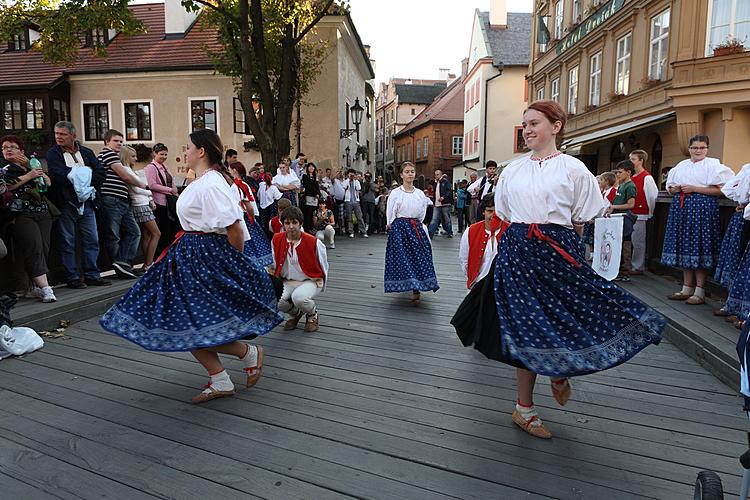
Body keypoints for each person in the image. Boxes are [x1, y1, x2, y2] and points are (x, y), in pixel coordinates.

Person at [461, 100, 664, 439]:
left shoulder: (572, 168)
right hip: (519, 251)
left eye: (534, 123)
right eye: (525, 123)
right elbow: (508, 213)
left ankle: (558, 366)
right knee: (524, 326)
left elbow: (589, 210)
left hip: (556, 248)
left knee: (563, 314)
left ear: (555, 127)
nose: (527, 129)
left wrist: (562, 230)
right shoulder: (512, 170)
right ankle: (524, 408)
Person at [100, 129, 283, 403]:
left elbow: (234, 226)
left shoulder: (212, 183)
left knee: (189, 321)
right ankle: (226, 373)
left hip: (204, 258)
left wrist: (233, 264)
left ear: (201, 152)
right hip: (189, 257)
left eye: (188, 148)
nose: (184, 152)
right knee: (184, 321)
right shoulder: (203, 181)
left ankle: (242, 359)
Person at [662, 134, 733, 305]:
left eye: (702, 147)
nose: (698, 151)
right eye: (694, 148)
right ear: (689, 149)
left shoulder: (714, 165)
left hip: (703, 209)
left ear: (707, 148)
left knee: (700, 246)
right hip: (682, 209)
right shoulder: (681, 165)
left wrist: (695, 188)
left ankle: (700, 291)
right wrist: (675, 188)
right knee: (685, 246)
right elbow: (669, 188)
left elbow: (723, 191)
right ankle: (687, 287)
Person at [46, 121, 111, 289]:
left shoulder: (87, 152)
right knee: (68, 241)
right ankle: (72, 276)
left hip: (88, 202)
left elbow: (100, 172)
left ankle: (92, 274)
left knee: (92, 239)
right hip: (66, 203)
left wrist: (85, 181)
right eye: (56, 134)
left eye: (63, 134)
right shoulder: (53, 154)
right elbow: (58, 176)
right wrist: (81, 176)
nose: (58, 137)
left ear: (73, 136)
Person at [1, 135, 56, 302]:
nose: (8, 149)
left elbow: (46, 183)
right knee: (34, 246)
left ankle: (33, 286)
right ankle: (46, 288)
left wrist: (29, 167)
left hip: (41, 211)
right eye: (4, 147)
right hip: (19, 213)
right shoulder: (3, 167)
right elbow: (6, 186)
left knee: (44, 247)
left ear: (22, 151)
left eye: (12, 147)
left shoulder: (30, 165)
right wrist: (28, 176)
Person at [384, 161, 438, 302]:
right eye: (407, 172)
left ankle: (417, 287)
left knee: (419, 256)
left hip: (415, 227)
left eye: (412, 172)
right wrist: (390, 224)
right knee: (403, 258)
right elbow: (390, 211)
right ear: (401, 175)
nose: (409, 174)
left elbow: (422, 212)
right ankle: (409, 285)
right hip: (400, 228)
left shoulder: (420, 194)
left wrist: (418, 225)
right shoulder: (395, 193)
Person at [97, 129, 145, 279]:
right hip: (112, 198)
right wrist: (143, 185)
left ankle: (123, 263)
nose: (119, 144)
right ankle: (121, 265)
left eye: (121, 141)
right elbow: (125, 176)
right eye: (116, 141)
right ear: (107, 142)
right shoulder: (108, 153)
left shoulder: (112, 155)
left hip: (120, 199)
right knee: (114, 235)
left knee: (133, 232)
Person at [272, 206, 329, 333]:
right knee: (276, 300)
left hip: (310, 280)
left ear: (300, 223)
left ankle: (312, 314)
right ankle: (296, 313)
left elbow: (324, 263)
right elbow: (276, 261)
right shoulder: (276, 239)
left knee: (299, 298)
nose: (291, 226)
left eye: (294, 222)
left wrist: (322, 282)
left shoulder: (314, 242)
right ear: (283, 224)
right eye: (287, 223)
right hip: (289, 281)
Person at [715, 163, 750, 318]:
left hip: (745, 215)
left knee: (743, 261)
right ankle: (733, 304)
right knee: (736, 259)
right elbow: (728, 188)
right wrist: (742, 201)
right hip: (743, 217)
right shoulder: (747, 168)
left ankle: (742, 310)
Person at [120, 145, 161, 272]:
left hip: (141, 203)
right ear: (126, 156)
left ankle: (147, 263)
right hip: (140, 205)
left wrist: (149, 198)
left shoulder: (129, 170)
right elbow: (135, 189)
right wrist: (150, 193)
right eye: (133, 156)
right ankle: (148, 263)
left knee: (147, 235)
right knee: (156, 233)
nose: (135, 158)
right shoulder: (126, 170)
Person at [458, 193, 508, 290]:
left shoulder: (510, 232)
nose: (493, 215)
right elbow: (464, 260)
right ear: (483, 212)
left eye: (497, 212)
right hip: (477, 286)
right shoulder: (471, 231)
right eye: (490, 211)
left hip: (503, 288)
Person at [230, 161, 273, 268]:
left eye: (230, 169)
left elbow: (248, 204)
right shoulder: (242, 184)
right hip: (246, 216)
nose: (229, 171)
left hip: (244, 217)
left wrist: (251, 219)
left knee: (249, 241)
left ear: (234, 170)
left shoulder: (239, 186)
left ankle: (255, 264)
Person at [606, 159, 638, 282]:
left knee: (625, 245)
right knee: (617, 245)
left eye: (620, 172)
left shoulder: (630, 186)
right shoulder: (621, 185)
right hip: (617, 219)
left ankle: (624, 271)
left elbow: (631, 204)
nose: (617, 175)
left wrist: (614, 207)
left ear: (628, 172)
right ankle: (617, 269)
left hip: (625, 219)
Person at [146, 143, 180, 257]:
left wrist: (174, 189)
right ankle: (160, 256)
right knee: (163, 230)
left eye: (166, 154)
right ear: (154, 154)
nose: (164, 157)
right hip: (159, 202)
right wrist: (170, 190)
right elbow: (152, 185)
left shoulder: (165, 167)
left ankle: (167, 254)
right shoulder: (151, 168)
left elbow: (171, 181)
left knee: (169, 230)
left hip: (168, 202)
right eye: (161, 154)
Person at [628, 149, 658, 274]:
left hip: (640, 213)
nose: (631, 162)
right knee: (630, 241)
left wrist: (649, 212)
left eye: (633, 159)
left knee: (638, 241)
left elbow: (652, 196)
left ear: (641, 161)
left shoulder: (647, 178)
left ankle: (638, 266)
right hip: (630, 213)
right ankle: (630, 264)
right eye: (630, 159)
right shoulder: (632, 177)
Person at [428, 169, 454, 238]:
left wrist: (443, 197)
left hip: (445, 204)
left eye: (437, 174)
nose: (436, 176)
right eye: (435, 174)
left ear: (441, 175)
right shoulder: (435, 183)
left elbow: (449, 191)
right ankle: (430, 233)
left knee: (447, 219)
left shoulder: (445, 182)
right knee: (434, 219)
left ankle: (449, 232)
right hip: (437, 204)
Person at [257, 167, 282, 237]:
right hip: (271, 207)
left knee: (264, 223)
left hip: (262, 208)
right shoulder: (273, 188)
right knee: (271, 222)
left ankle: (265, 237)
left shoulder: (261, 186)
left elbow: (258, 196)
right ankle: (273, 236)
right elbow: (278, 197)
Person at [343, 168, 367, 238]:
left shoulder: (356, 181)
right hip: (348, 201)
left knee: (359, 216)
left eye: (353, 174)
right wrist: (349, 180)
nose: (351, 175)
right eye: (350, 174)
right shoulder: (346, 181)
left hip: (356, 200)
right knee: (349, 217)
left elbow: (359, 188)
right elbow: (344, 187)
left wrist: (355, 180)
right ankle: (351, 231)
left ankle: (363, 231)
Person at [300, 162, 321, 232]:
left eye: (312, 167)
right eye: (310, 167)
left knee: (314, 213)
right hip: (309, 196)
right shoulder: (305, 176)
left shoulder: (315, 177)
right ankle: (307, 228)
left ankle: (313, 227)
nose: (311, 168)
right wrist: (316, 192)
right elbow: (308, 186)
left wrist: (318, 193)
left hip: (315, 197)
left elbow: (317, 186)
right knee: (308, 213)